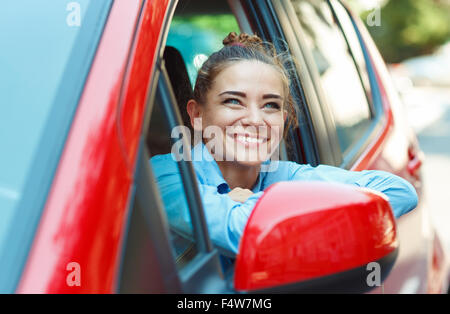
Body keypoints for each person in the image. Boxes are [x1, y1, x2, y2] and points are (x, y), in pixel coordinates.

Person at [151, 32, 418, 255]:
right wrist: (296, 209)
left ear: (283, 119)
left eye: (270, 105)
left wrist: (249, 202)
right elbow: (241, 232)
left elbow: (399, 192)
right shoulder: (166, 174)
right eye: (233, 101)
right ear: (196, 115)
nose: (255, 120)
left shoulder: (285, 174)